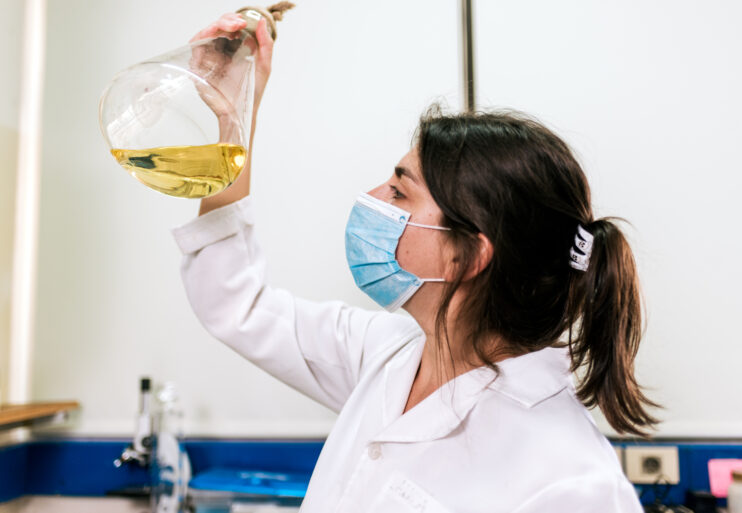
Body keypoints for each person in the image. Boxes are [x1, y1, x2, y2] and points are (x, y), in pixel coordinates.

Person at [173, 12, 658, 513]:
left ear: (467, 255)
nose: (371, 198)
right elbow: (235, 304)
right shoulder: (390, 355)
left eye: (400, 193)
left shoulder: (570, 481)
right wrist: (233, 115)